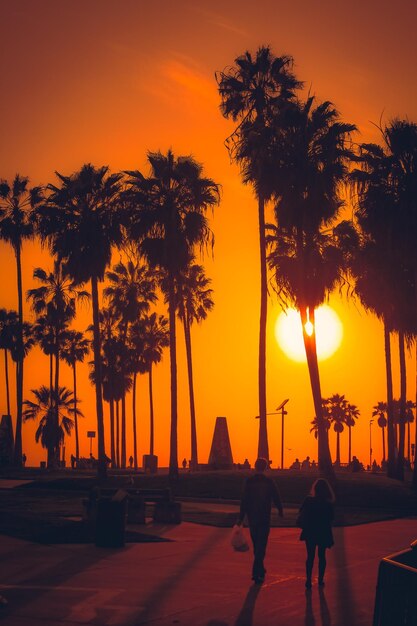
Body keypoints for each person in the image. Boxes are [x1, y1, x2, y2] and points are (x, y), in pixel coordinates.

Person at [237, 457, 283, 584]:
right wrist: (280, 509)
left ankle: (259, 570)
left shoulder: (249, 481)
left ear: (255, 466)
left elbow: (244, 500)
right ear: (266, 467)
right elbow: (276, 496)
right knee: (261, 546)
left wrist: (241, 517)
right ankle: (257, 571)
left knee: (257, 544)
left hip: (253, 517)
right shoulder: (269, 481)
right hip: (264, 517)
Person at [298, 478, 335, 589]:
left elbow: (301, 511)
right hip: (323, 531)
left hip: (310, 531)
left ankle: (308, 580)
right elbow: (331, 518)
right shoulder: (328, 503)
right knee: (322, 556)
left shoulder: (309, 500)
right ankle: (320, 579)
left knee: (310, 556)